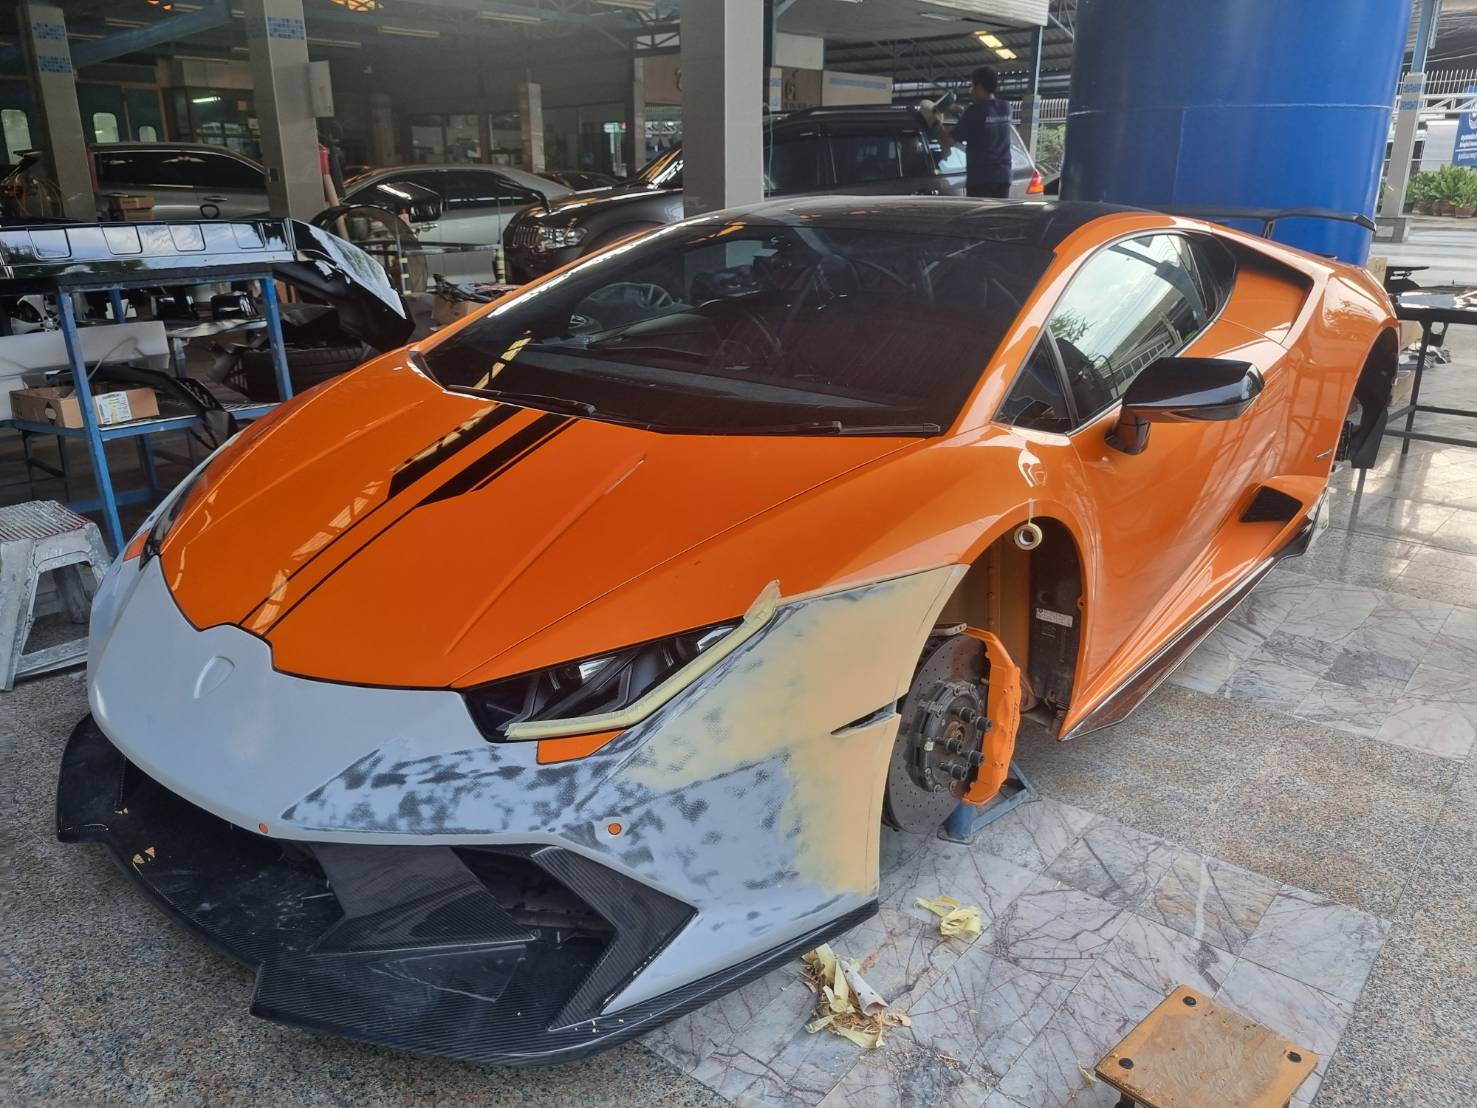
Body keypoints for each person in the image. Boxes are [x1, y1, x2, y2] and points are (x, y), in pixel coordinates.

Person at [935, 66, 1013, 198]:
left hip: (981, 179)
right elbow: (984, 123)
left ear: (980, 86)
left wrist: (935, 121)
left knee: (980, 212)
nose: (970, 90)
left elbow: (947, 141)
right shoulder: (1006, 107)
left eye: (972, 86)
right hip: (1003, 177)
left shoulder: (974, 111)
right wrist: (963, 113)